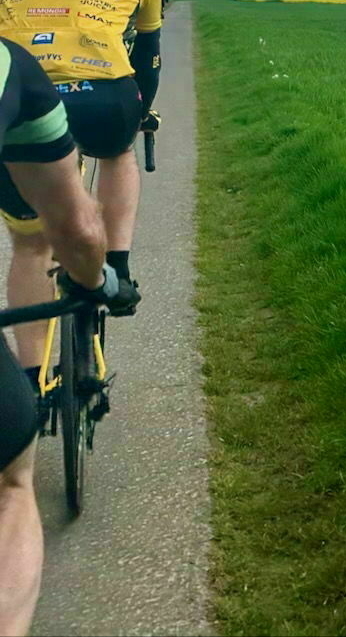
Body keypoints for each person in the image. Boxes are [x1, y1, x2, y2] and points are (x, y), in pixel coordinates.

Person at [0, 0, 160, 385]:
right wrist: (142, 113)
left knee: (30, 246)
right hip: (104, 96)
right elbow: (148, 62)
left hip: (22, 97)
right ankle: (118, 264)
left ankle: (29, 382)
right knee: (118, 153)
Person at [0, 36, 133, 636]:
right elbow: (77, 230)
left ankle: (34, 373)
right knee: (8, 485)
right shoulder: (8, 62)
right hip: (96, 102)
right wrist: (102, 280)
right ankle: (120, 268)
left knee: (27, 243)